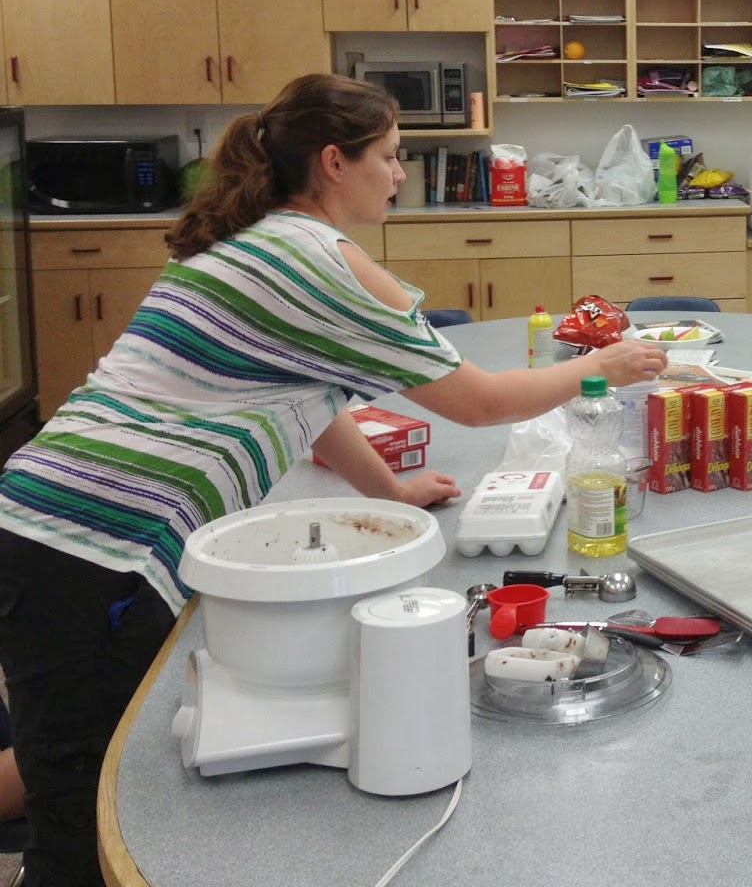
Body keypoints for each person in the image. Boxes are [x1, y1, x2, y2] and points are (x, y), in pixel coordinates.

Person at [0, 74, 667, 887]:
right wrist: (605, 365)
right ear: (333, 162)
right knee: (87, 806)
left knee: (76, 751)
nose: (400, 174)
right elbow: (481, 403)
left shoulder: (261, 238)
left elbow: (310, 397)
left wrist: (391, 493)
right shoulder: (321, 262)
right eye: (388, 156)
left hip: (50, 525)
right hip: (92, 544)